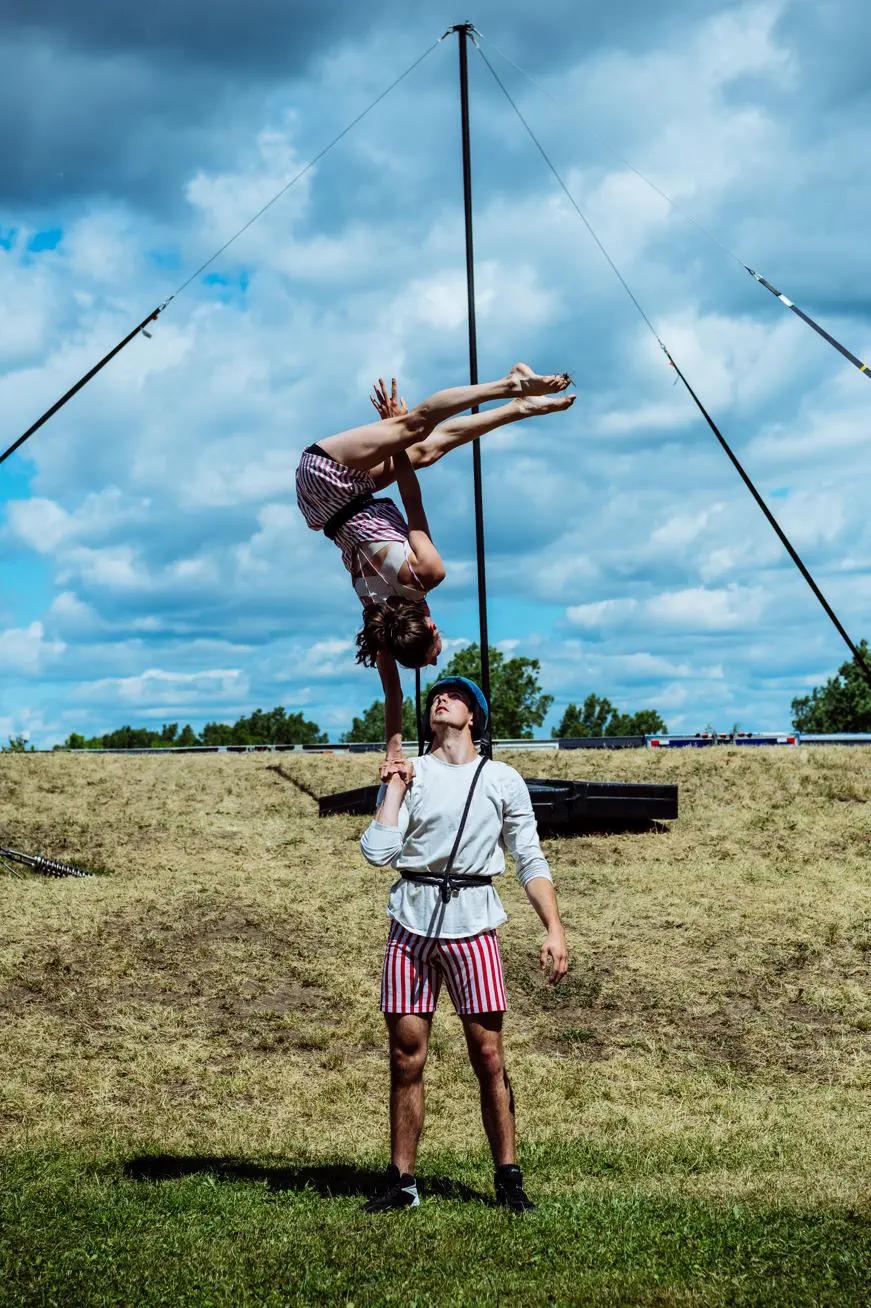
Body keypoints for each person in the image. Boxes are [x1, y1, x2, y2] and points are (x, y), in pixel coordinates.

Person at [358, 675, 569, 1214]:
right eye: (435, 696)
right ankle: (401, 1182)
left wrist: (554, 927)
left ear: (473, 716)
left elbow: (530, 857)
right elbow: (379, 851)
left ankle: (508, 1179)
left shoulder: (501, 779)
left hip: (475, 926)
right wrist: (394, 789)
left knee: (489, 1056)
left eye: (453, 696)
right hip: (411, 926)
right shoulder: (412, 771)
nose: (440, 699)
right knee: (406, 1056)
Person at [295, 365, 574, 766]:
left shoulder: (425, 574)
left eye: (434, 651)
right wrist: (394, 751)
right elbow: (393, 694)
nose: (438, 658)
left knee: (415, 428)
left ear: (432, 627)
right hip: (326, 507)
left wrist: (394, 429)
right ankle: (520, 408)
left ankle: (511, 383)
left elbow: (412, 499)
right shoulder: (381, 620)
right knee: (426, 450)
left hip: (328, 475)